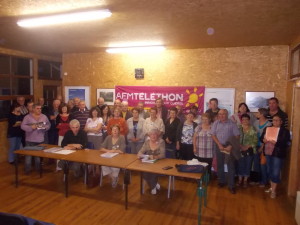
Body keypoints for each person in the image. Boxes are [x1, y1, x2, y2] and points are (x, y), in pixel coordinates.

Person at [261, 115, 290, 198]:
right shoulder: (267, 128)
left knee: (276, 172)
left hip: (278, 154)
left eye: (277, 120)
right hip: (268, 152)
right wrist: (263, 139)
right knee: (269, 170)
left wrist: (276, 142)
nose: (275, 122)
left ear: (281, 122)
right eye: (274, 120)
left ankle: (273, 191)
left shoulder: (285, 131)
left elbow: (286, 142)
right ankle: (271, 187)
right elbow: (261, 138)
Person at [211, 109, 240, 194]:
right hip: (219, 146)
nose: (221, 116)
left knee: (231, 166)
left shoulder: (232, 123)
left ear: (227, 114)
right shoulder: (216, 123)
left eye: (223, 114)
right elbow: (213, 134)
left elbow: (237, 136)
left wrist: (231, 146)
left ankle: (231, 185)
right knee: (220, 164)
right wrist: (219, 144)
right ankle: (221, 181)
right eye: (220, 114)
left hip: (229, 147)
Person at [21, 104, 50, 173]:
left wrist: (45, 127)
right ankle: (27, 170)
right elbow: (22, 126)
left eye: (40, 108)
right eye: (37, 108)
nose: (39, 110)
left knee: (38, 156)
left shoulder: (44, 116)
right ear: (33, 109)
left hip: (40, 139)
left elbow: (49, 125)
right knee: (28, 156)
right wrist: (31, 128)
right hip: (30, 139)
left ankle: (38, 170)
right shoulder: (27, 117)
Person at [137, 128, 165, 195]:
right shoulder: (147, 142)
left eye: (155, 134)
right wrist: (139, 154)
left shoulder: (161, 142)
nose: (153, 136)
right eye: (151, 134)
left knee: (153, 172)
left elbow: (162, 154)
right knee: (143, 172)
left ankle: (153, 187)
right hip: (148, 162)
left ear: (157, 135)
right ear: (149, 135)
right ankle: (154, 184)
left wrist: (155, 157)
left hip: (158, 162)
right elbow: (141, 151)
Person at [237, 114, 258, 188]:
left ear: (249, 120)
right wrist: (240, 146)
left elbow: (255, 141)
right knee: (240, 165)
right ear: (241, 120)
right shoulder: (238, 128)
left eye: (246, 119)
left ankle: (245, 180)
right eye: (243, 119)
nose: (245, 121)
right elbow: (235, 138)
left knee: (248, 165)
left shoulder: (253, 128)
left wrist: (247, 147)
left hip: (250, 150)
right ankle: (240, 180)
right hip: (239, 150)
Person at [253, 108, 272, 187]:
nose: (257, 114)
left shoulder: (269, 124)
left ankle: (264, 181)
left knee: (263, 164)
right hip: (255, 145)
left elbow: (268, 138)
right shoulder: (255, 122)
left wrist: (262, 147)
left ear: (262, 114)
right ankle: (257, 180)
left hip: (264, 146)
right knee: (256, 164)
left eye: (258, 112)